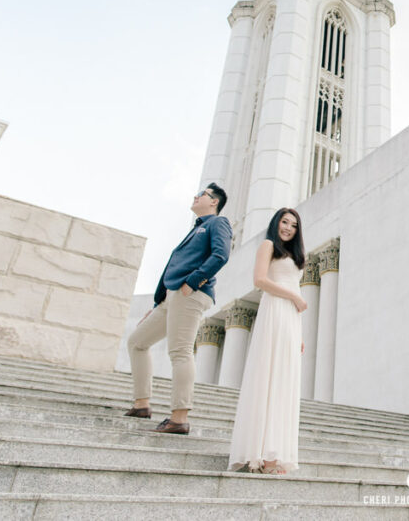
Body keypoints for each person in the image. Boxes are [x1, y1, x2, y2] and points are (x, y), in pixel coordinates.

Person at [124, 183, 231, 435]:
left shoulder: (218, 223)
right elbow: (172, 264)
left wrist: (193, 282)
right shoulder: (195, 229)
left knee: (180, 351)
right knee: (137, 342)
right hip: (170, 297)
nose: (196, 196)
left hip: (190, 293)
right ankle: (142, 404)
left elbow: (221, 255)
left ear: (214, 202)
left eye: (202, 194)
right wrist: (158, 302)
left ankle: (179, 417)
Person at [228, 207, 307, 474]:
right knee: (269, 376)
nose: (288, 228)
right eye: (284, 222)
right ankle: (263, 454)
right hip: (274, 311)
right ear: (276, 223)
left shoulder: (296, 256)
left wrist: (300, 333)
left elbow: (295, 288)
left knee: (284, 381)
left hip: (291, 320)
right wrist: (293, 297)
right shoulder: (268, 245)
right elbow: (260, 280)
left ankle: (277, 453)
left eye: (293, 225)